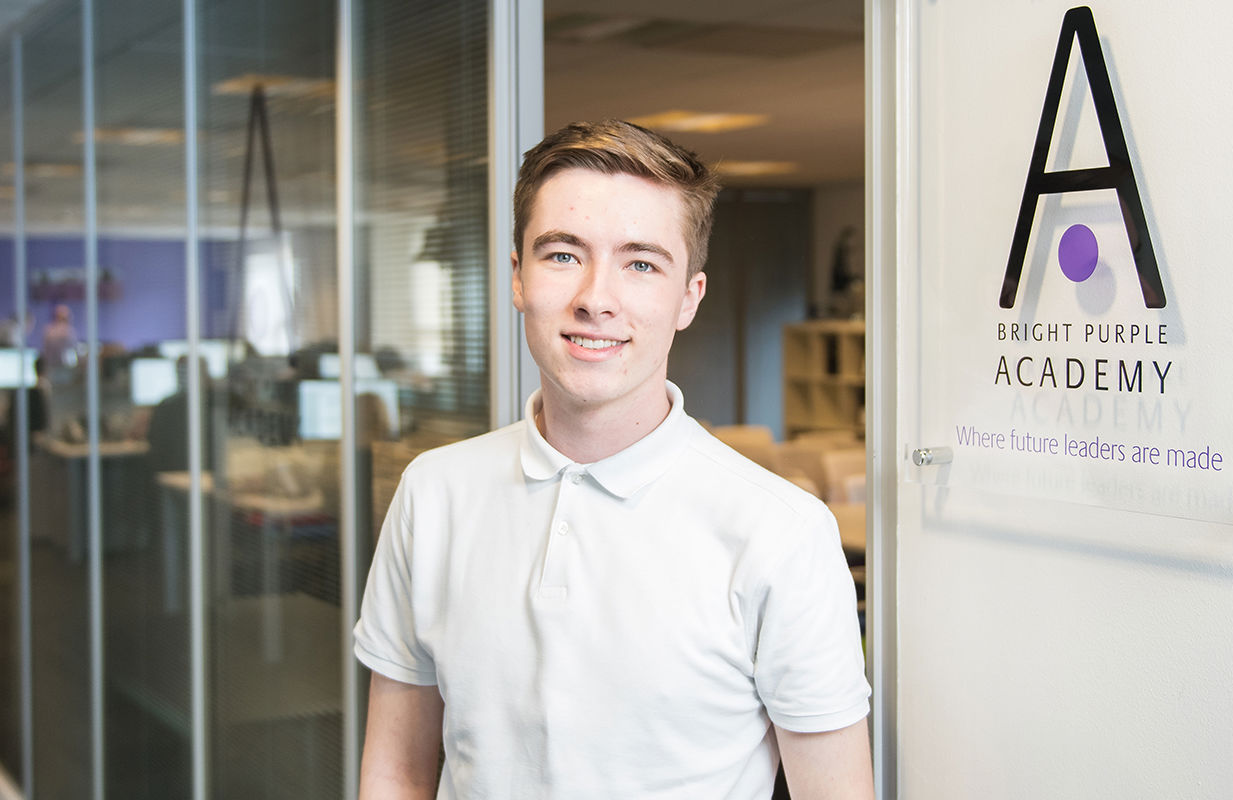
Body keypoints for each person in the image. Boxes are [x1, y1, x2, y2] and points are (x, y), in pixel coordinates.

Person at [354, 120, 874, 799]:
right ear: (517, 277)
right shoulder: (433, 494)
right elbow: (396, 773)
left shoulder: (781, 532)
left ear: (688, 297)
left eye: (641, 264)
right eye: (563, 254)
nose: (596, 298)